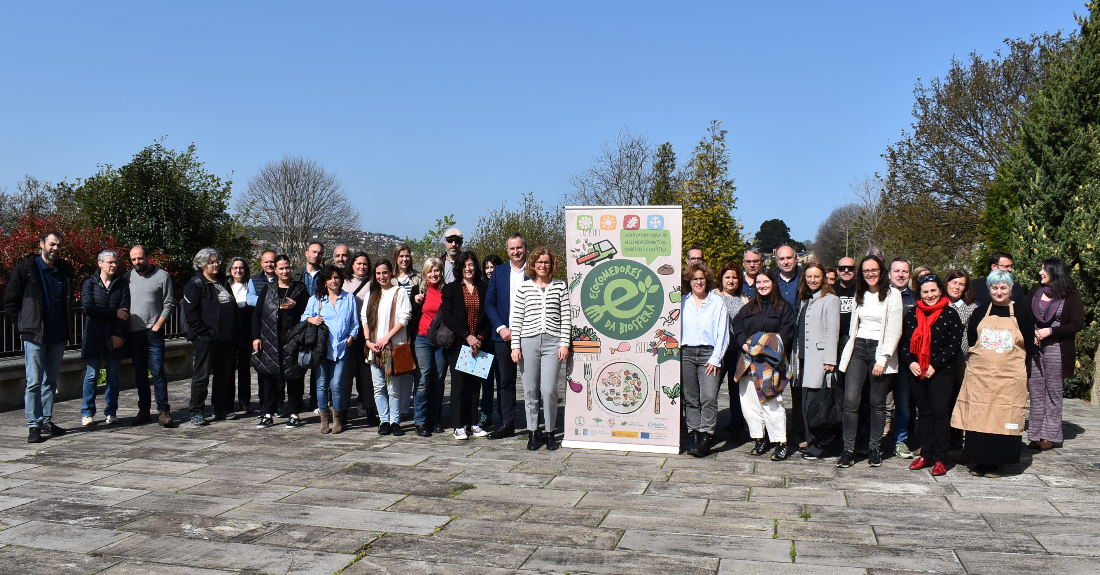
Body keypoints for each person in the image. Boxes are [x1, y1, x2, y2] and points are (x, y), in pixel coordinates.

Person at [952, 270, 1034, 477]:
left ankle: (997, 463)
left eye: (1003, 288)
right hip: (981, 379)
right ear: (989, 290)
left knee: (1002, 417)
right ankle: (978, 461)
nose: (999, 292)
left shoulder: (1022, 314)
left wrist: (1025, 375)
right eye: (995, 288)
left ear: (1011, 289)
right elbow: (972, 341)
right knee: (979, 418)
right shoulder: (979, 314)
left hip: (1009, 380)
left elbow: (1028, 349)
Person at [5, 231, 73, 443]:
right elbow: (10, 301)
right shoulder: (27, 269)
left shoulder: (64, 271)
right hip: (34, 335)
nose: (55, 248)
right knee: (34, 381)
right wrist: (23, 325)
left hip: (57, 334)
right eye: (52, 244)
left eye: (59, 245)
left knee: (51, 380)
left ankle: (45, 420)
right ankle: (33, 425)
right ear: (42, 244)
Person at [837, 255, 903, 468]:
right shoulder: (860, 293)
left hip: (879, 349)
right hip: (858, 348)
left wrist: (883, 359)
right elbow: (854, 326)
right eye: (866, 271)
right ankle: (848, 449)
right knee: (851, 402)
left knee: (877, 403)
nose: (870, 274)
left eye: (874, 270)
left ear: (881, 271)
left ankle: (875, 449)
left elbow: (894, 329)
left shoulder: (892, 295)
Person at [898, 274, 964, 476]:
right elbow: (904, 343)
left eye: (933, 290)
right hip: (917, 370)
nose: (929, 295)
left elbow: (954, 345)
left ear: (941, 291)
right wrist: (911, 363)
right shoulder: (912, 315)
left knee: (940, 413)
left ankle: (941, 458)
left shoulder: (950, 314)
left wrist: (935, 364)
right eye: (925, 291)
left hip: (941, 371)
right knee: (924, 413)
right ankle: (926, 454)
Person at [732, 270, 796, 460]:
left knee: (772, 403)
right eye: (758, 282)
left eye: (766, 281)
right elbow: (737, 326)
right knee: (749, 404)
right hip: (747, 362)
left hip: (769, 364)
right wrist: (745, 343)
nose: (762, 285)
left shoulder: (784, 308)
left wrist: (761, 346)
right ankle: (760, 438)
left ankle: (780, 441)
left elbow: (785, 334)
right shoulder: (749, 308)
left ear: (773, 283)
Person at [511, 246, 571, 451]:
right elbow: (517, 318)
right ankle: (533, 432)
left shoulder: (560, 286)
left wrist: (564, 343)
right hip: (528, 342)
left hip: (553, 343)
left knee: (549, 389)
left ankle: (550, 432)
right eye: (539, 261)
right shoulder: (524, 288)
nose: (542, 265)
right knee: (530, 390)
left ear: (551, 264)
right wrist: (515, 346)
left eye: (546, 261)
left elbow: (566, 318)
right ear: (533, 264)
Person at [1026, 258, 1084, 450]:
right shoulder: (1036, 290)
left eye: (1044, 269)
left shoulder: (1070, 295)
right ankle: (1035, 435)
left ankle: (1050, 435)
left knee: (1053, 392)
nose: (1040, 272)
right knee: (1035, 392)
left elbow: (1077, 324)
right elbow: (1025, 315)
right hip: (1035, 348)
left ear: (1054, 271)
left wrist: (1050, 331)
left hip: (1057, 347)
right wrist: (1032, 332)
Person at [440, 251, 494, 441]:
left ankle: (473, 423)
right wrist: (467, 337)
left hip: (479, 344)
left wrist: (478, 338)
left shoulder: (484, 287)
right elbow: (448, 316)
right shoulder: (452, 288)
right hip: (459, 343)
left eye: (471, 265)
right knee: (459, 386)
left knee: (474, 386)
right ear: (459, 268)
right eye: (464, 265)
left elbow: (489, 316)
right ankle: (458, 425)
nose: (468, 268)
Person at [182, 248, 238, 426]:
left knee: (224, 375)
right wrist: (203, 334)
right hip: (206, 339)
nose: (216, 265)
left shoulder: (223, 282)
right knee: (202, 375)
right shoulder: (196, 284)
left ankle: (221, 409)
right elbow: (191, 313)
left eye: (217, 261)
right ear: (202, 265)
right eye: (211, 262)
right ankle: (197, 411)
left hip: (226, 338)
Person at [301, 265, 359, 434]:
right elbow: (304, 317)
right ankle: (324, 419)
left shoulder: (348, 298)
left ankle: (338, 419)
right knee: (321, 384)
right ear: (324, 281)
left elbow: (355, 323)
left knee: (337, 384)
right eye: (330, 278)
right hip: (321, 349)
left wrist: (351, 337)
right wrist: (312, 319)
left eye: (336, 277)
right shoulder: (316, 299)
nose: (334, 281)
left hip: (341, 347)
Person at [252, 255, 308, 428]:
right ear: (275, 270)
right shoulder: (268, 289)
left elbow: (308, 312)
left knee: (294, 377)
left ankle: (294, 413)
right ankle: (267, 413)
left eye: (287, 268)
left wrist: (295, 307)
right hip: (270, 339)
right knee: (268, 377)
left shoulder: (300, 288)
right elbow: (257, 314)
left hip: (293, 340)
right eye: (281, 268)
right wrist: (255, 337)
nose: (285, 271)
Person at [681, 262, 729, 457]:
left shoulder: (717, 302)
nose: (698, 282)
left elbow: (723, 333)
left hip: (709, 353)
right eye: (694, 279)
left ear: (706, 280)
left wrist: (716, 358)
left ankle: (706, 435)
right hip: (686, 353)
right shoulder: (682, 302)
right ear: (689, 281)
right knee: (690, 397)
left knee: (708, 396)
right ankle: (694, 433)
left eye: (701, 278)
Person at [794, 263, 840, 460]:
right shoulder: (806, 300)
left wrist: (830, 360)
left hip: (820, 360)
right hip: (804, 359)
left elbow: (832, 331)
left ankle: (821, 444)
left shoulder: (831, 300)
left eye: (817, 276)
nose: (813, 280)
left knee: (818, 405)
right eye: (809, 276)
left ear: (824, 278)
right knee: (806, 405)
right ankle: (811, 442)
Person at [125, 245, 175, 427]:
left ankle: (163, 410)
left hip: (154, 333)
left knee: (158, 373)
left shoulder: (163, 276)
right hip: (134, 333)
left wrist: (157, 326)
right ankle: (144, 410)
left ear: (148, 257)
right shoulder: (128, 277)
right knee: (139, 374)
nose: (137, 262)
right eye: (133, 259)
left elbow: (169, 303)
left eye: (140, 258)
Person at [80, 250, 131, 427]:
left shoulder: (122, 285)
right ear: (100, 263)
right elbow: (89, 309)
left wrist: (118, 334)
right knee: (91, 375)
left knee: (113, 376)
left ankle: (111, 411)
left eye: (116, 262)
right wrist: (113, 312)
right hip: (94, 335)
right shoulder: (89, 283)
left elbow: (124, 313)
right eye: (110, 262)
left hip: (114, 336)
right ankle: (87, 412)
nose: (114, 265)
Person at [485, 233, 529, 439]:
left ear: (525, 248)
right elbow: (490, 303)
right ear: (507, 251)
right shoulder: (499, 272)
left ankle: (535, 425)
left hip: (530, 334)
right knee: (505, 381)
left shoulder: (535, 270)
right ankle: (507, 423)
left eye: (519, 247)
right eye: (512, 249)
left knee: (532, 381)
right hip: (504, 336)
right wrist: (501, 328)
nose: (516, 252)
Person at [363, 258, 413, 436]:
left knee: (393, 388)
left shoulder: (399, 292)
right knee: (378, 387)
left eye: (384, 272)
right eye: (378, 273)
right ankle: (383, 420)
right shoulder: (371, 294)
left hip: (392, 347)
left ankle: (395, 421)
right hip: (374, 348)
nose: (381, 276)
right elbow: (365, 320)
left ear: (391, 272)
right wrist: (368, 341)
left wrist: (387, 338)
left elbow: (404, 318)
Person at [342, 252, 379, 426]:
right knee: (346, 374)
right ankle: (342, 411)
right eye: (358, 263)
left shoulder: (373, 282)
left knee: (366, 376)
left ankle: (370, 410)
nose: (362, 266)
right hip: (348, 333)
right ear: (352, 264)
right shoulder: (343, 281)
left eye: (365, 264)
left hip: (367, 333)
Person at [713, 261, 748, 442]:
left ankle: (736, 426)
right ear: (721, 278)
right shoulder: (712, 296)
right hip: (717, 351)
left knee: (736, 391)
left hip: (737, 352)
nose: (731, 281)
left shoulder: (744, 299)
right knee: (712, 389)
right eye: (727, 277)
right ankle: (709, 428)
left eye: (734, 277)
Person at [413, 258, 447, 436]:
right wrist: (415, 301)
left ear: (441, 272)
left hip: (441, 340)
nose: (434, 274)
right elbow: (411, 314)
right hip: (423, 339)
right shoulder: (420, 291)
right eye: (430, 271)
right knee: (423, 380)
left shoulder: (448, 291)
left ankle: (435, 418)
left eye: (437, 271)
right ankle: (420, 420)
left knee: (439, 380)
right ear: (425, 274)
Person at [887, 257, 916, 459]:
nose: (900, 274)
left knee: (904, 402)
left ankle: (901, 439)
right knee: (877, 400)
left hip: (907, 358)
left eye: (904, 271)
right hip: (884, 357)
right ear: (889, 274)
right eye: (896, 271)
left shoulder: (916, 299)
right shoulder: (880, 296)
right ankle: (873, 438)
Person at [294, 240, 325, 411]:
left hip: (320, 325)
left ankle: (316, 400)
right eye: (313, 252)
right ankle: (296, 400)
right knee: (298, 363)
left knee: (318, 364)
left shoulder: (327, 275)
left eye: (319, 253)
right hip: (300, 324)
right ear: (306, 253)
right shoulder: (295, 274)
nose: (316, 255)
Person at [393, 243, 423, 422]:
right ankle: (394, 407)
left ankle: (405, 407)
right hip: (394, 328)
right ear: (396, 258)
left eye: (407, 256)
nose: (405, 259)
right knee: (395, 368)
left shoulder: (418, 278)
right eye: (401, 256)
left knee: (408, 368)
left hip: (414, 327)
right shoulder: (389, 278)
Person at [478, 254, 504, 428]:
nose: (489, 270)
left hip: (501, 339)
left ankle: (504, 414)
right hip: (484, 341)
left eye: (493, 267)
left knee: (503, 380)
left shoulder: (504, 287)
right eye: (487, 267)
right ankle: (485, 414)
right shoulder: (480, 287)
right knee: (485, 381)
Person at [227, 257, 253, 415]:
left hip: (246, 330)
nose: (238, 271)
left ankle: (245, 402)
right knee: (228, 369)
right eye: (235, 268)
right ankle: (228, 402)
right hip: (230, 330)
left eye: (241, 268)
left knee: (244, 369)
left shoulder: (250, 285)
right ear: (230, 270)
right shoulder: (225, 285)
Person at [774, 245, 802, 310]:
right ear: (777, 261)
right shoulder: (770, 279)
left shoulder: (805, 278)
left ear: (795, 258)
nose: (786, 262)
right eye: (782, 259)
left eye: (789, 258)